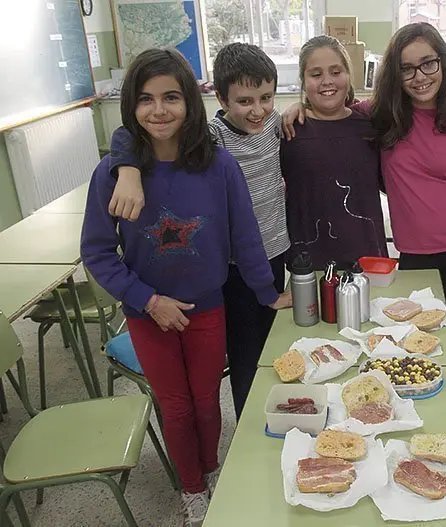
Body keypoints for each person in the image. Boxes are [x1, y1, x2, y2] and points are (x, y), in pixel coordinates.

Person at [80, 49, 290, 525]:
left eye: (171, 97)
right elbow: (96, 254)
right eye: (146, 99)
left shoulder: (218, 165)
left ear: (191, 102)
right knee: (175, 407)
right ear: (130, 106)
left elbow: (246, 238)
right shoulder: (112, 175)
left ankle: (211, 469)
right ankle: (191, 488)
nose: (159, 110)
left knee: (205, 402)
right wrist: (147, 301)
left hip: (208, 307)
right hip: (147, 313)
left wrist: (264, 292)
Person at [283, 23, 446, 390]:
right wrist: (296, 107)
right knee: (410, 341)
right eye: (407, 68)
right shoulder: (382, 115)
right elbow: (336, 110)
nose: (419, 77)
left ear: (444, 65)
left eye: (428, 64)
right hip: (412, 252)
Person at [104, 43, 291, 421]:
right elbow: (128, 134)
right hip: (232, 267)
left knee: (277, 348)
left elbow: (296, 114)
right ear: (219, 98)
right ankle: (248, 427)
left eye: (266, 97)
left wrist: (296, 108)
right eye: (244, 100)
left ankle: (282, 416)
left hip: (274, 254)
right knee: (244, 354)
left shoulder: (273, 123)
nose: (257, 109)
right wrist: (126, 167)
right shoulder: (211, 138)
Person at [281, 35, 388, 269]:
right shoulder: (289, 130)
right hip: (310, 262)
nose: (327, 81)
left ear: (349, 75)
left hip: (367, 257)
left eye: (336, 72)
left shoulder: (369, 125)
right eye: (316, 74)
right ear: (303, 80)